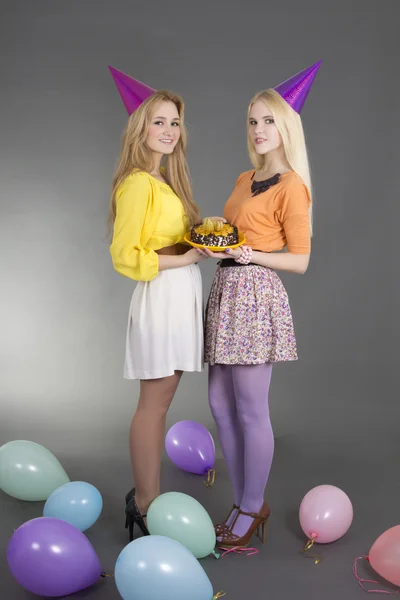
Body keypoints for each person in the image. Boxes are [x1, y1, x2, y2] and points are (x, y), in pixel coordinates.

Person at [199, 62, 321, 548]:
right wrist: (218, 246)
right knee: (218, 406)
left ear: (286, 126)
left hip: (254, 295)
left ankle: (251, 506)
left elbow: (302, 260)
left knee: (251, 410)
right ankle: (242, 498)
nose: (259, 129)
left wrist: (256, 256)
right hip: (225, 291)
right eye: (252, 121)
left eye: (268, 120)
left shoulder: (293, 185)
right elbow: (236, 234)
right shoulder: (244, 176)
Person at [108, 66, 206, 541]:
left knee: (161, 400)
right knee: (153, 404)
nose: (168, 131)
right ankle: (145, 505)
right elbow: (125, 255)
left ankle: (147, 499)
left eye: (174, 122)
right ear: (140, 127)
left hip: (178, 294)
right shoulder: (136, 184)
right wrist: (185, 256)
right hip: (161, 298)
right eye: (159, 121)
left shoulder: (161, 180)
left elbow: (167, 240)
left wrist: (199, 242)